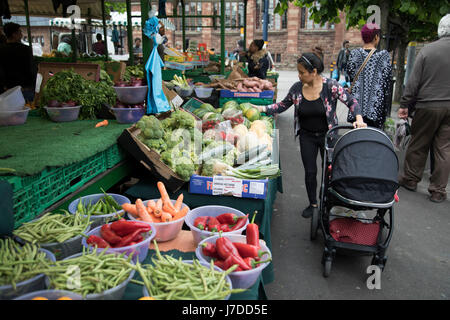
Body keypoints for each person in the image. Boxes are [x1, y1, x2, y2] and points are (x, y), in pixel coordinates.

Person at [254, 47, 367, 218]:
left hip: (328, 136)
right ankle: (313, 203)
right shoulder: (297, 89)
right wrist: (261, 108)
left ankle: (329, 201)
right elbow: (282, 105)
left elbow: (351, 101)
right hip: (307, 136)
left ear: (313, 72)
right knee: (310, 172)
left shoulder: (331, 86)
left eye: (302, 72)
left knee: (330, 171)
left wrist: (358, 118)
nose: (299, 76)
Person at [397, 14, 450, 203]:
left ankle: (411, 179)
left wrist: (405, 104)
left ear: (441, 29)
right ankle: (438, 190)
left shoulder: (428, 51)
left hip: (428, 105)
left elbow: (413, 82)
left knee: (419, 143)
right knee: (444, 149)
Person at [346, 23, 392, 129]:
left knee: (356, 137)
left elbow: (350, 74)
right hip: (375, 107)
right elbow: (386, 82)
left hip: (356, 106)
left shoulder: (354, 54)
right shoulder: (383, 56)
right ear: (376, 37)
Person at [0, 22, 36, 99]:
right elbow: (31, 69)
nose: (21, 34)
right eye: (20, 32)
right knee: (28, 108)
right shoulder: (25, 49)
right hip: (25, 89)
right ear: (14, 34)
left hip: (8, 90)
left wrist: (4, 86)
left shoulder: (1, 50)